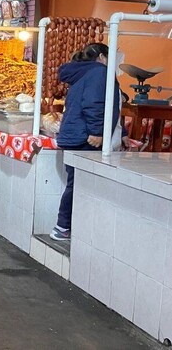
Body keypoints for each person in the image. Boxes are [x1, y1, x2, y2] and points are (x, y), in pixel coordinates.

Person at [50, 43, 125, 241]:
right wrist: (97, 131)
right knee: (78, 183)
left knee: (77, 182)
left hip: (75, 134)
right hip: (85, 136)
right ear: (101, 56)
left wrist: (121, 131)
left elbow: (107, 106)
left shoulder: (84, 72)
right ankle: (62, 226)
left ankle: (70, 226)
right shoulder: (99, 72)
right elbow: (94, 103)